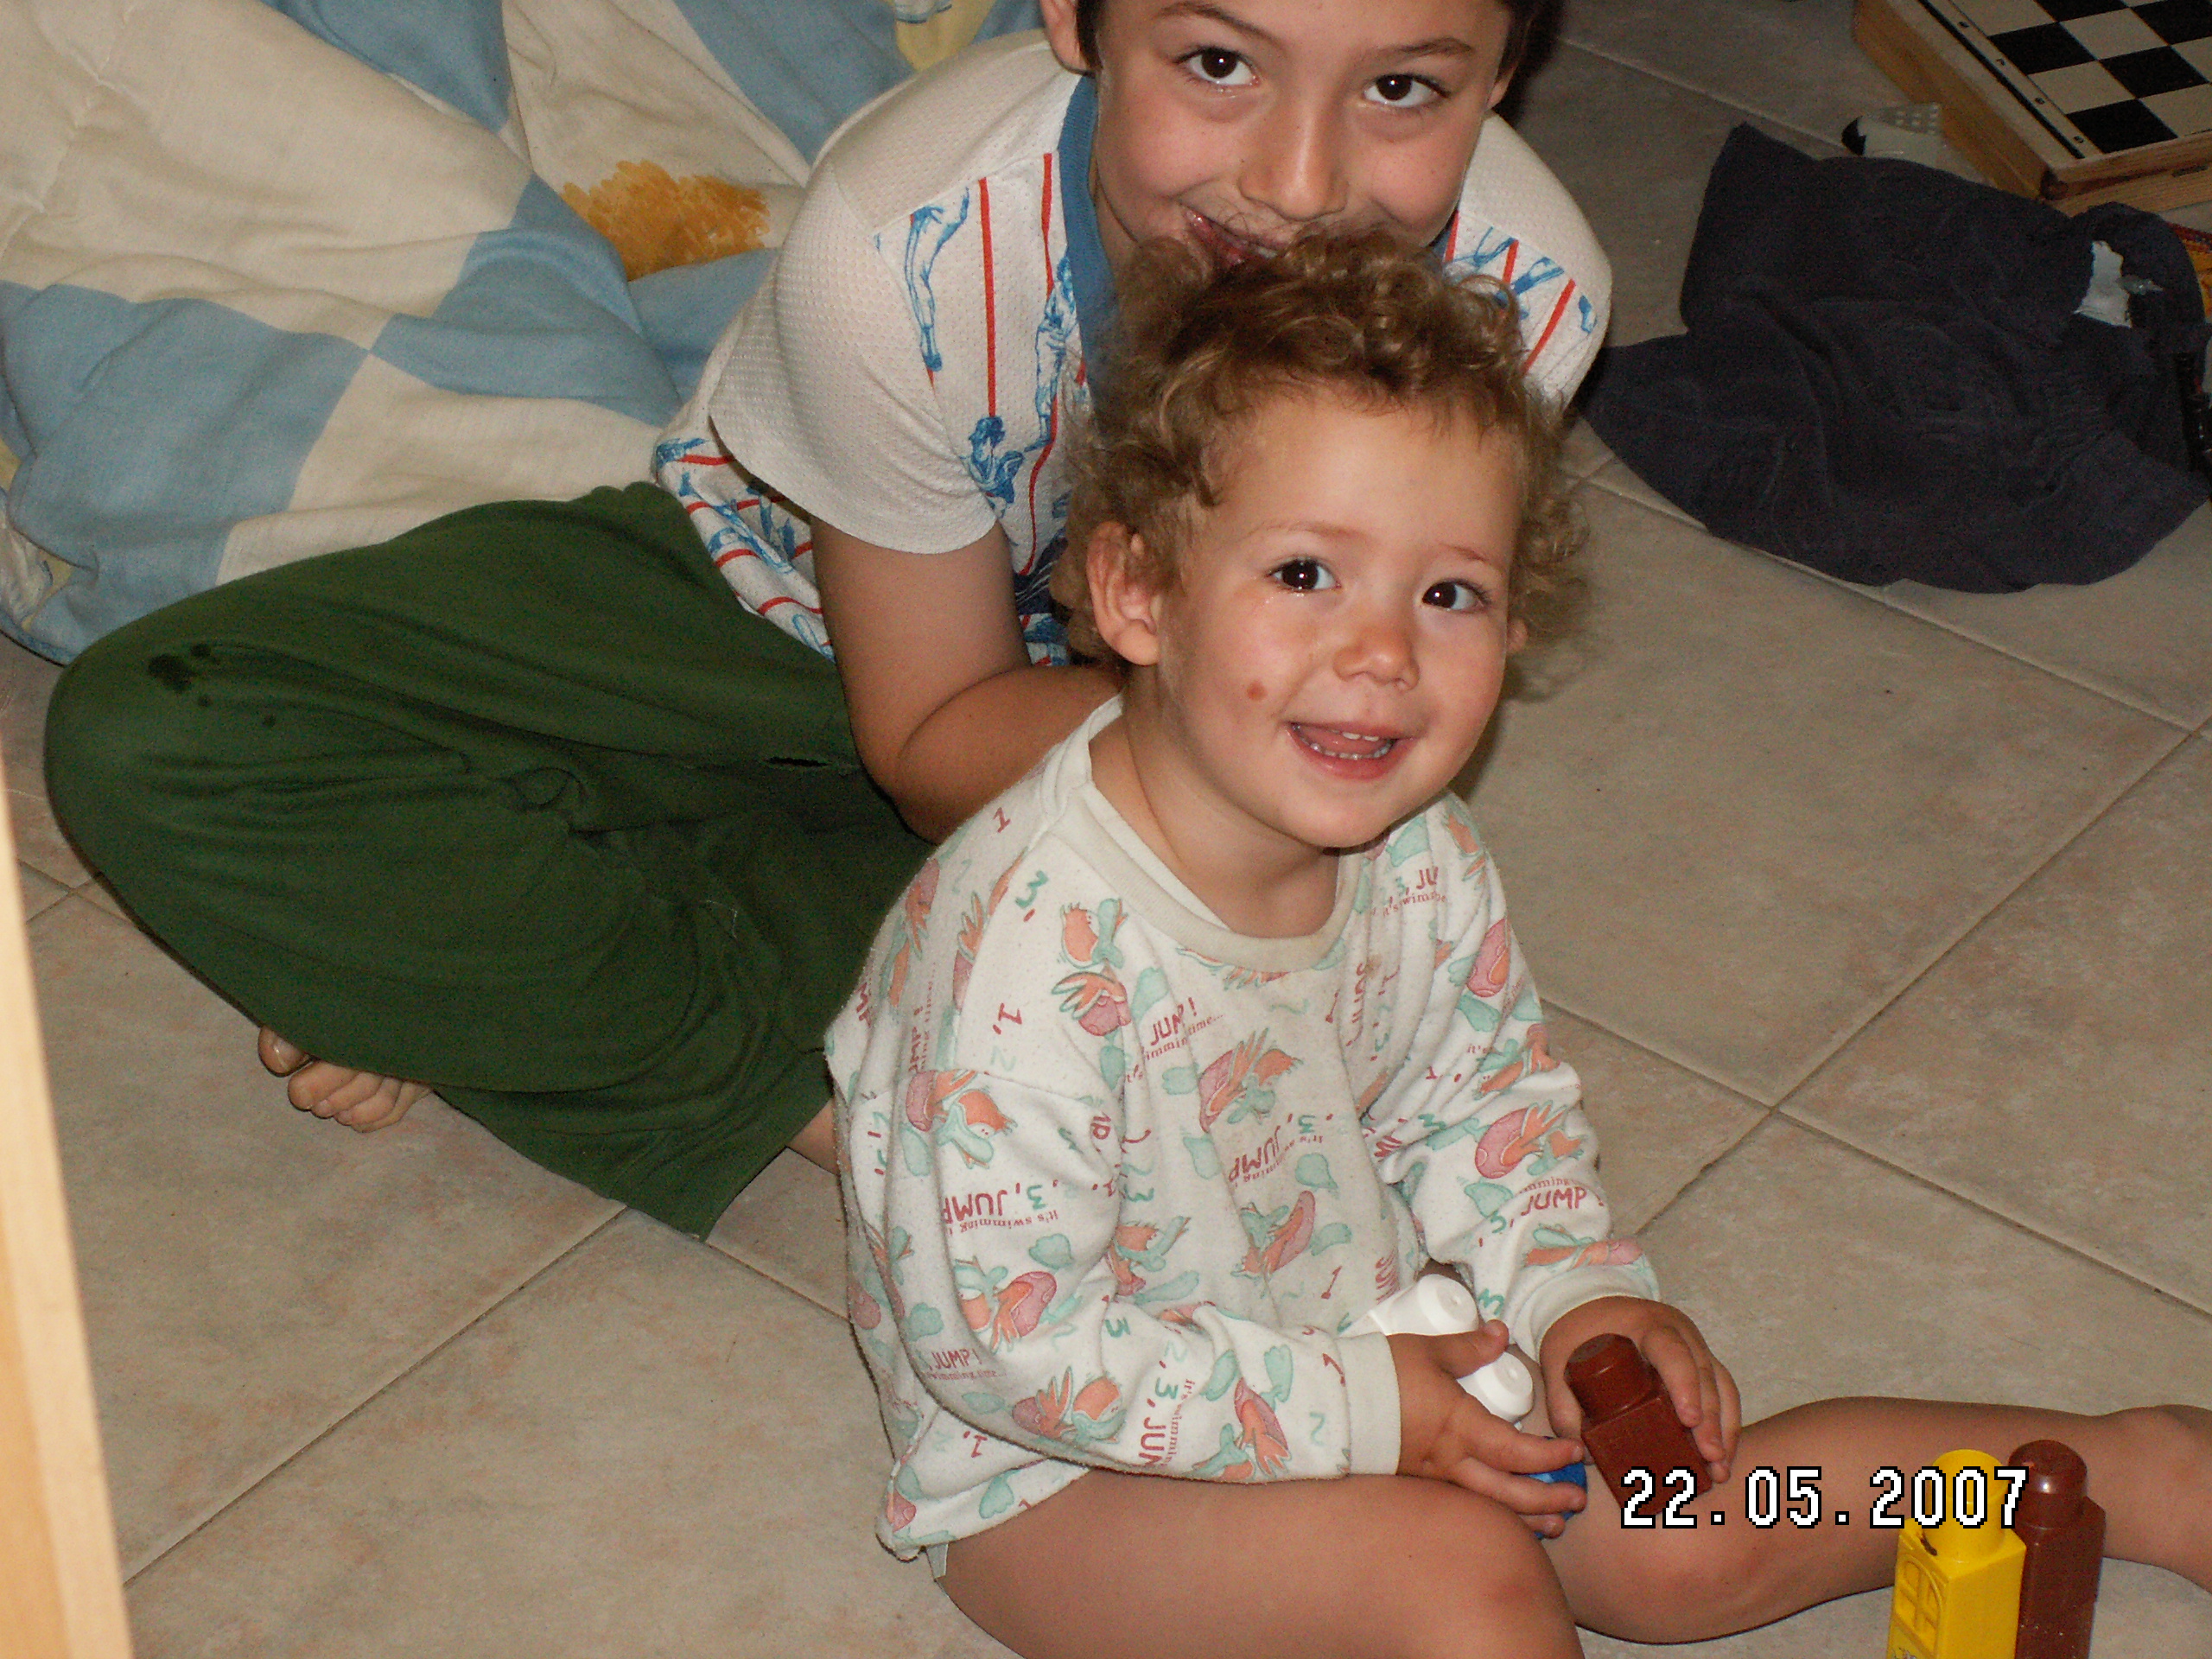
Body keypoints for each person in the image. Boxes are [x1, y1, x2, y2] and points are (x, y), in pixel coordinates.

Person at [829, 232, 2212, 1659]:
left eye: (1449, 594)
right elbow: (1011, 1352)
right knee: (1459, 1576)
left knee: (1686, 1532)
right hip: (1060, 1475)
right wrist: (1364, 1411)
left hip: (1376, 1339)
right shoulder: (1019, 970)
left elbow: (1480, 1108)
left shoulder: (1416, 852)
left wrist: (1574, 1298)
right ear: (1138, 593)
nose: (1384, 653)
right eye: (1305, 571)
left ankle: (2139, 1471)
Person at [41, 0, 1607, 1236]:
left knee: (1279, 1094)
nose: (1303, 182)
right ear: (1076, 17)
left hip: (1148, 768)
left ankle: (480, 966)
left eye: (1403, 89)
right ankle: (847, 1115)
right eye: (1217, 62)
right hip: (772, 612)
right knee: (161, 731)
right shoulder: (901, 240)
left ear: (1505, 79)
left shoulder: (1528, 292)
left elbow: (1360, 722)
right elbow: (929, 741)